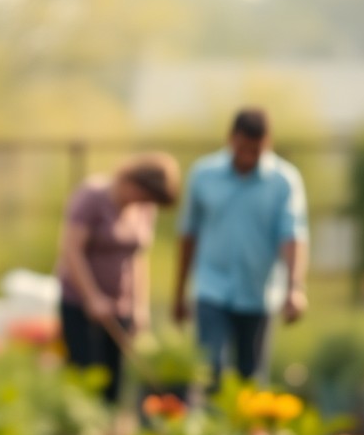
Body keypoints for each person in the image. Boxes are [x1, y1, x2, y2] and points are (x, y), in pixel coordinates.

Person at [172, 108, 309, 386]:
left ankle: (246, 430)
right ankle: (212, 429)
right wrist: (179, 292)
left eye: (255, 150)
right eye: (243, 148)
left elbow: (293, 236)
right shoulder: (203, 175)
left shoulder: (284, 180)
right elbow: (188, 234)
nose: (248, 156)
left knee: (251, 376)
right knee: (211, 370)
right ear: (231, 139)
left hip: (258, 292)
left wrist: (294, 288)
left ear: (267, 143)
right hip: (211, 288)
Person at [56, 153, 181, 403]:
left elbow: (137, 258)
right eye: (144, 195)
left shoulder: (144, 209)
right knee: (86, 375)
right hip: (81, 304)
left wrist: (139, 308)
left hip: (119, 306)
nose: (144, 202)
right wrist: (92, 298)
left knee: (114, 381)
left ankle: (107, 433)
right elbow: (71, 250)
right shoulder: (92, 196)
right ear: (133, 182)